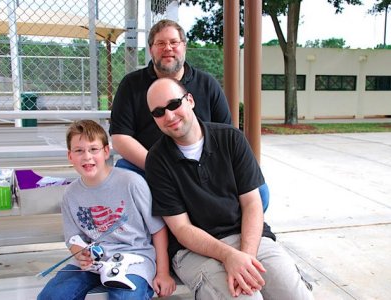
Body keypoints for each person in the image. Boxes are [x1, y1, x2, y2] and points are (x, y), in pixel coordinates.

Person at [145, 78, 314, 299]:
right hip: (195, 250)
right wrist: (229, 256)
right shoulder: (157, 160)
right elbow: (182, 229)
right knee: (246, 298)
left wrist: (245, 258)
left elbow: (253, 203)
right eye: (158, 112)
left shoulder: (231, 138)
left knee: (297, 296)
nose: (168, 115)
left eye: (174, 104)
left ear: (190, 100)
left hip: (248, 236)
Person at [109, 19, 269, 211]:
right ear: (151, 49)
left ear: (184, 46)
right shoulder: (131, 85)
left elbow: (226, 133)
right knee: (123, 178)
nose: (167, 48)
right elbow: (120, 138)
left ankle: (225, 228)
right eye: (160, 43)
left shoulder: (207, 84)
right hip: (151, 164)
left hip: (203, 166)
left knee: (260, 194)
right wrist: (159, 167)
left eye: (173, 42)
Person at [38, 120, 176, 300]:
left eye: (93, 149)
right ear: (70, 156)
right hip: (93, 263)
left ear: (105, 151)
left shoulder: (131, 183)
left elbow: (158, 230)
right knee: (52, 296)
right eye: (79, 151)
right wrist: (79, 252)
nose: (87, 157)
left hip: (133, 259)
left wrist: (163, 273)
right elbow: (73, 238)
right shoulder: (70, 194)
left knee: (125, 297)